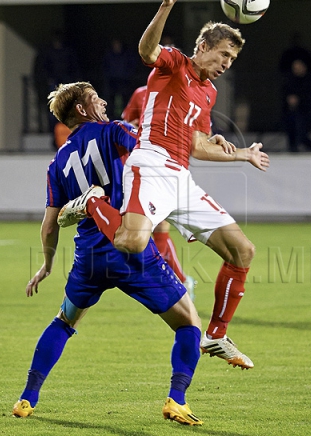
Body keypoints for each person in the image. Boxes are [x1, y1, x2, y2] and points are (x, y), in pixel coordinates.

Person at [59, 0, 269, 370]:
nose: (227, 63)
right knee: (132, 243)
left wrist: (238, 153)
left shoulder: (208, 92)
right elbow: (146, 51)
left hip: (180, 177)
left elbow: (197, 145)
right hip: (151, 164)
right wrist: (166, 6)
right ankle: (91, 204)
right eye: (224, 54)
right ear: (204, 45)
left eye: (233, 58)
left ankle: (217, 336)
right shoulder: (175, 64)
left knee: (242, 251)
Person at [13, 82, 203, 426]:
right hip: (130, 248)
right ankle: (177, 400)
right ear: (82, 110)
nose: (102, 101)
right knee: (189, 323)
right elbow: (155, 156)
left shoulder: (57, 162)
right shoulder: (112, 131)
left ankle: (27, 397)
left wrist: (47, 264)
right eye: (95, 98)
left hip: (89, 259)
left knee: (64, 320)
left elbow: (50, 223)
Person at [120, 84, 197, 300]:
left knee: (160, 224)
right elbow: (126, 122)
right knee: (146, 227)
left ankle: (178, 281)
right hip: (141, 162)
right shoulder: (141, 93)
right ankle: (177, 280)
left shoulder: (186, 93)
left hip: (169, 164)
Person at [282, 58, 311, 152]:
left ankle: (308, 144)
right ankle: (292, 146)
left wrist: (299, 99)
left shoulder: (309, 79)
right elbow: (284, 92)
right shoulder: (289, 79)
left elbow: (310, 94)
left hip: (305, 110)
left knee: (301, 129)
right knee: (291, 127)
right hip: (291, 111)